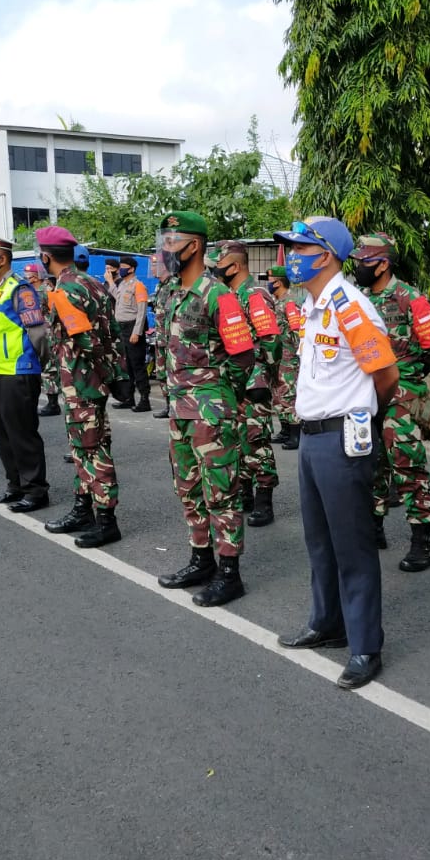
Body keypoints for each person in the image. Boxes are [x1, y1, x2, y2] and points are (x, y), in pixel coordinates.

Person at [275, 216, 400, 690]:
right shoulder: (314, 306)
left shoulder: (350, 307)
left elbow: (385, 376)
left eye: (298, 248)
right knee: (319, 539)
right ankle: (327, 622)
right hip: (311, 436)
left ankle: (365, 646)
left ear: (324, 254)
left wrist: (363, 414)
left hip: (343, 438)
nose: (289, 257)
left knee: (353, 546)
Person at [153, 213, 261, 606]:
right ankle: (202, 560)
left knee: (222, 493)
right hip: (180, 412)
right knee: (188, 489)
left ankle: (230, 573)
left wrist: (219, 394)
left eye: (171, 241)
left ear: (193, 245)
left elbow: (243, 354)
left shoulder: (218, 295)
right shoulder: (171, 292)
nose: (165, 249)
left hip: (210, 413)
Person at [353, 233, 430, 570]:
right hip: (365, 392)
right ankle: (374, 527)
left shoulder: (411, 299)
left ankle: (422, 542)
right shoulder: (359, 299)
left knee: (406, 463)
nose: (358, 267)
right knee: (370, 460)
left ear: (382, 265)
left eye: (364, 262)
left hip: (402, 391)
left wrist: (410, 378)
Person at [36, 226, 124, 548]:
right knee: (82, 449)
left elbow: (85, 341)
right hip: (87, 382)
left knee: (92, 450)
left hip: (82, 383)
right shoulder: (92, 283)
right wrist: (113, 375)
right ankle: (83, 508)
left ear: (46, 257)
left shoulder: (66, 290)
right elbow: (113, 331)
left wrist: (96, 376)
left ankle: (106, 521)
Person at [0, 232, 51, 511]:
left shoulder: (20, 289)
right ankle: (15, 485)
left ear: (2, 257)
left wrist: (36, 365)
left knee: (22, 434)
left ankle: (36, 490)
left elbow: (38, 333)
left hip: (16, 371)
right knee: (1, 434)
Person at [213, 240, 281, 527]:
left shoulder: (254, 295)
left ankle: (264, 500)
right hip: (234, 381)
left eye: (220, 265)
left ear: (236, 266)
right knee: (238, 439)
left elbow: (271, 341)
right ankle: (245, 494)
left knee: (256, 439)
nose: (216, 271)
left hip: (254, 382)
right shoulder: (229, 294)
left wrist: (262, 375)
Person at [267, 265, 302, 449]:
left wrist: (299, 358)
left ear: (278, 282)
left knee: (289, 395)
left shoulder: (290, 303)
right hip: (277, 357)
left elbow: (297, 331)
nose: (268, 283)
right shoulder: (274, 301)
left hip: (289, 357)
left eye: (270, 280)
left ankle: (296, 435)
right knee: (278, 394)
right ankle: (285, 430)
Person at [114, 255, 152, 413]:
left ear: (132, 269)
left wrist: (136, 332)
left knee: (137, 366)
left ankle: (145, 399)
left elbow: (142, 312)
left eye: (123, 266)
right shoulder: (122, 284)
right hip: (122, 329)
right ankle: (129, 398)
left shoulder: (139, 286)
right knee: (126, 365)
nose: (121, 269)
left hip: (133, 328)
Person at [24, 262, 62, 418]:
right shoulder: (32, 291)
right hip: (36, 333)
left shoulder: (46, 291)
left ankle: (53, 404)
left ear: (35, 276)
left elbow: (54, 312)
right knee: (40, 368)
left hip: (47, 333)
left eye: (29, 275)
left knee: (49, 369)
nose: (27, 277)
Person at [148, 253, 172, 419]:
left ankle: (176, 406)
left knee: (172, 373)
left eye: (155, 265)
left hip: (171, 339)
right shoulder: (160, 286)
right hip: (160, 337)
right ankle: (168, 405)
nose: (152, 269)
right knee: (161, 373)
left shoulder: (173, 285)